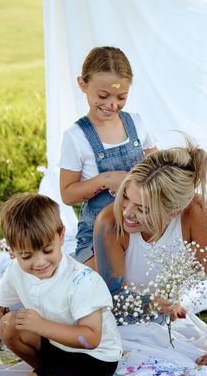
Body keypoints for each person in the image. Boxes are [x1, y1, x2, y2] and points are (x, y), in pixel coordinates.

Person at [93, 141, 207, 366]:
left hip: (165, 318)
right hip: (122, 324)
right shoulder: (109, 223)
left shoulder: (196, 213)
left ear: (174, 211)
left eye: (143, 209)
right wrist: (150, 303)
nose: (127, 212)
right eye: (126, 197)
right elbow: (106, 299)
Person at [0, 194, 122, 376]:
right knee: (8, 325)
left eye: (47, 250)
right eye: (26, 255)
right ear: (12, 249)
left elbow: (90, 339)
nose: (39, 262)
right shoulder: (16, 271)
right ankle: (49, 374)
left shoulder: (82, 280)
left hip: (94, 359)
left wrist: (41, 326)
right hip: (57, 346)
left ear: (61, 235)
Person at [59, 46, 157, 266]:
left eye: (121, 97)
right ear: (83, 85)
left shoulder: (136, 124)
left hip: (140, 226)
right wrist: (106, 179)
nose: (112, 104)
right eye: (103, 95)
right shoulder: (76, 137)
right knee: (101, 284)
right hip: (99, 231)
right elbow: (67, 195)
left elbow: (157, 166)